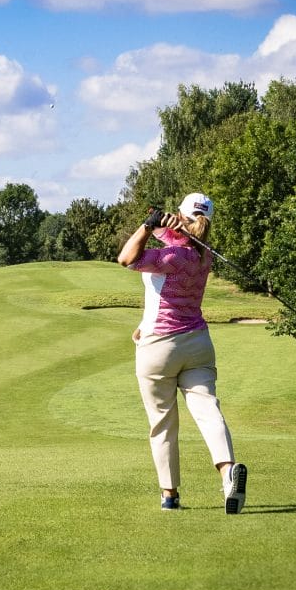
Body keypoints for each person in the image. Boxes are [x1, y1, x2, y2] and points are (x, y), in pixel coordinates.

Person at [116, 192, 247, 513]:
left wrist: (148, 226)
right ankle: (228, 472)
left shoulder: (172, 256)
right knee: (207, 410)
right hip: (198, 343)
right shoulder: (204, 256)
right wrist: (163, 223)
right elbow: (170, 243)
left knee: (162, 422)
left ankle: (170, 495)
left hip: (160, 346)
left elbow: (127, 258)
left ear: (183, 215)